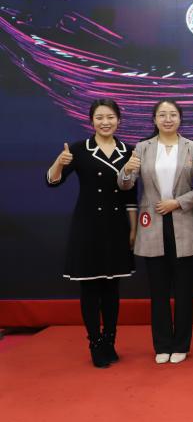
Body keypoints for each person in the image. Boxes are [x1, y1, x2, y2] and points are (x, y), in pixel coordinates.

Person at [46, 99, 138, 368]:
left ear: (118, 120)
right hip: (87, 226)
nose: (105, 122)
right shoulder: (78, 149)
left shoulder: (128, 151)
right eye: (99, 118)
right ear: (91, 121)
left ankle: (110, 340)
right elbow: (52, 181)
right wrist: (59, 162)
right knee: (90, 287)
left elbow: (131, 196)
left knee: (112, 287)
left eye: (110, 117)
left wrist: (133, 229)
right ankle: (95, 343)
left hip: (116, 225)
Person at [118, 99, 193, 365]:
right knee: (158, 291)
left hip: (183, 223)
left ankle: (181, 344)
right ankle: (162, 344)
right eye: (162, 115)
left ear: (180, 118)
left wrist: (177, 202)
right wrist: (126, 171)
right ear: (154, 119)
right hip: (152, 224)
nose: (168, 119)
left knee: (184, 291)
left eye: (173, 115)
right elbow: (126, 184)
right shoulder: (142, 147)